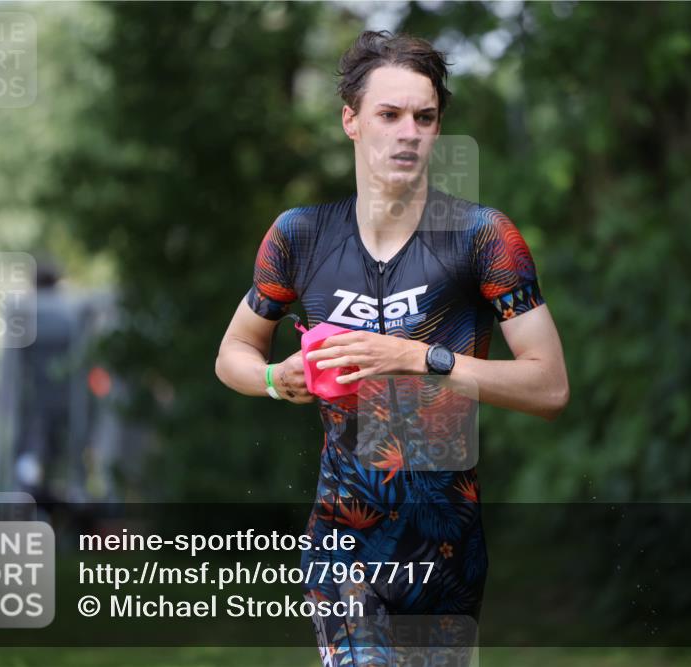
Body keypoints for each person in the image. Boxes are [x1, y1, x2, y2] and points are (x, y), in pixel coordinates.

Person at [216, 30, 569, 667]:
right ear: (351, 120)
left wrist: (417, 358)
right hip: (344, 535)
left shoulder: (483, 238)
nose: (409, 131)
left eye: (424, 117)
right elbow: (234, 351)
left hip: (447, 544)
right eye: (389, 114)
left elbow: (549, 388)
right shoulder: (301, 236)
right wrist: (276, 377)